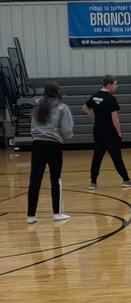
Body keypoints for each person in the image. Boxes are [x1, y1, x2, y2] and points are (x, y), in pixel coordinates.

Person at [82, 75, 131, 190]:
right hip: (110, 133)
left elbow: (84, 107)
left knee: (97, 157)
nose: (116, 86)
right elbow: (115, 118)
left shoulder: (95, 96)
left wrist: (95, 116)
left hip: (98, 131)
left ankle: (93, 182)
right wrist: (119, 133)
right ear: (109, 85)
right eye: (115, 84)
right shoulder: (110, 99)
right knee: (116, 157)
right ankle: (126, 180)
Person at [27, 82, 74, 223]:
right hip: (53, 145)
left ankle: (30, 215)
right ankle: (57, 213)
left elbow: (32, 127)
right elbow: (67, 130)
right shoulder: (61, 107)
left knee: (34, 180)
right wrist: (67, 136)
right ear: (58, 92)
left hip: (37, 144)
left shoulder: (37, 106)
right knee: (55, 179)